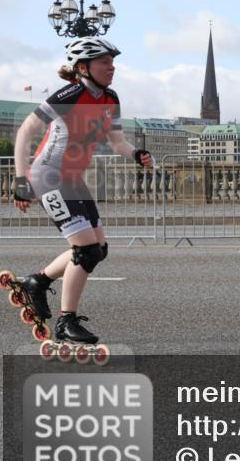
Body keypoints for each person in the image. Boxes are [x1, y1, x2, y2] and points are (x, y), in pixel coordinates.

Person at [12, 37, 153, 345]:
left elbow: (117, 141)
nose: (111, 67)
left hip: (73, 179)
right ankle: (66, 321)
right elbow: (26, 131)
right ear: (83, 67)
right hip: (49, 176)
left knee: (98, 249)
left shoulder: (110, 98)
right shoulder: (70, 95)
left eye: (112, 62)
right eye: (105, 62)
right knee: (85, 250)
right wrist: (21, 181)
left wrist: (135, 154)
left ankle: (37, 282)